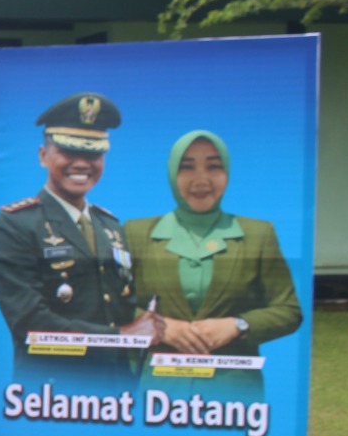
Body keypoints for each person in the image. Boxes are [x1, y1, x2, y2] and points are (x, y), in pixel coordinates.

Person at [0, 93, 162, 369]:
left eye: (93, 153)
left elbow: (124, 307)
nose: (82, 163)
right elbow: (30, 324)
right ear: (43, 156)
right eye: (69, 151)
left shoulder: (110, 227)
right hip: (53, 387)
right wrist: (121, 337)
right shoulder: (14, 225)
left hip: (116, 387)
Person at [123, 129, 302, 394]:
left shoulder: (258, 234)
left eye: (214, 166)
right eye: (187, 167)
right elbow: (108, 306)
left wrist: (238, 325)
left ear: (227, 172)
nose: (201, 180)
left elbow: (288, 310)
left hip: (233, 395)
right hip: (156, 389)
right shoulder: (136, 233)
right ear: (172, 173)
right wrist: (159, 327)